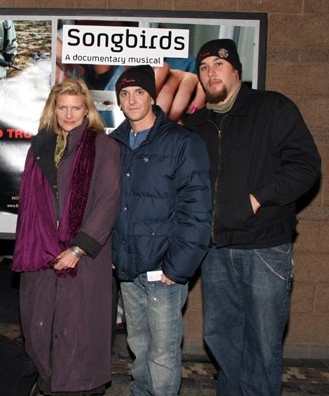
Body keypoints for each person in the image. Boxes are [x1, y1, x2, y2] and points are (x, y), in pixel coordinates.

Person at [185, 39, 321, 396]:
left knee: (262, 343)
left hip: (264, 248)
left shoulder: (272, 107)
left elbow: (306, 165)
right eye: (203, 67)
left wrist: (257, 199)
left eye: (218, 64)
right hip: (215, 251)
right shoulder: (196, 125)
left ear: (236, 70)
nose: (211, 72)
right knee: (221, 337)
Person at [12, 79, 121, 395]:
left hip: (85, 257)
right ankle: (46, 382)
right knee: (41, 325)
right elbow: (30, 203)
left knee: (80, 332)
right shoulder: (39, 147)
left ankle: (82, 389)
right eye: (63, 107)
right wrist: (40, 243)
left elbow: (108, 200)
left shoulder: (104, 147)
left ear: (87, 109)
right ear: (53, 109)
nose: (69, 114)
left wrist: (79, 247)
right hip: (42, 254)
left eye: (76, 107)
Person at [109, 65, 212, 396]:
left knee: (164, 354)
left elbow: (197, 208)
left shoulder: (182, 142)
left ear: (152, 97)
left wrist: (177, 268)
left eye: (139, 92)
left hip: (164, 269)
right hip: (128, 267)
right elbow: (107, 206)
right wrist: (113, 254)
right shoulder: (114, 144)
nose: (132, 100)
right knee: (139, 345)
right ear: (119, 102)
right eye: (124, 94)